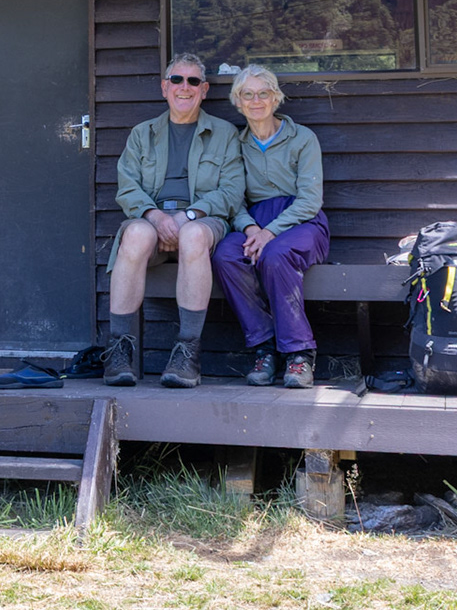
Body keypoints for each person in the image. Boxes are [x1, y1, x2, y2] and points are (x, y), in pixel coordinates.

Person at [105, 53, 245, 388]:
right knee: (135, 235)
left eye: (193, 81)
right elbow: (127, 187)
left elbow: (231, 190)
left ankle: (187, 354)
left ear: (205, 89)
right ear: (164, 88)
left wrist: (188, 216)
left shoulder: (224, 133)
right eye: (177, 80)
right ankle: (119, 351)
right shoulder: (143, 134)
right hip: (152, 219)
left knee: (194, 235)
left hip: (201, 219)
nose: (185, 87)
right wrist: (154, 215)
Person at [212, 65, 330, 388]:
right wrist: (250, 229)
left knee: (275, 255)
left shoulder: (303, 139)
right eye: (247, 94)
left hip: (302, 224)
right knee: (225, 255)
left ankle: (299, 354)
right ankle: (265, 347)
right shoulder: (236, 145)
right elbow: (233, 198)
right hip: (255, 223)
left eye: (263, 93)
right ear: (238, 101)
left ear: (275, 98)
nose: (256, 100)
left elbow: (309, 200)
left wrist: (269, 232)